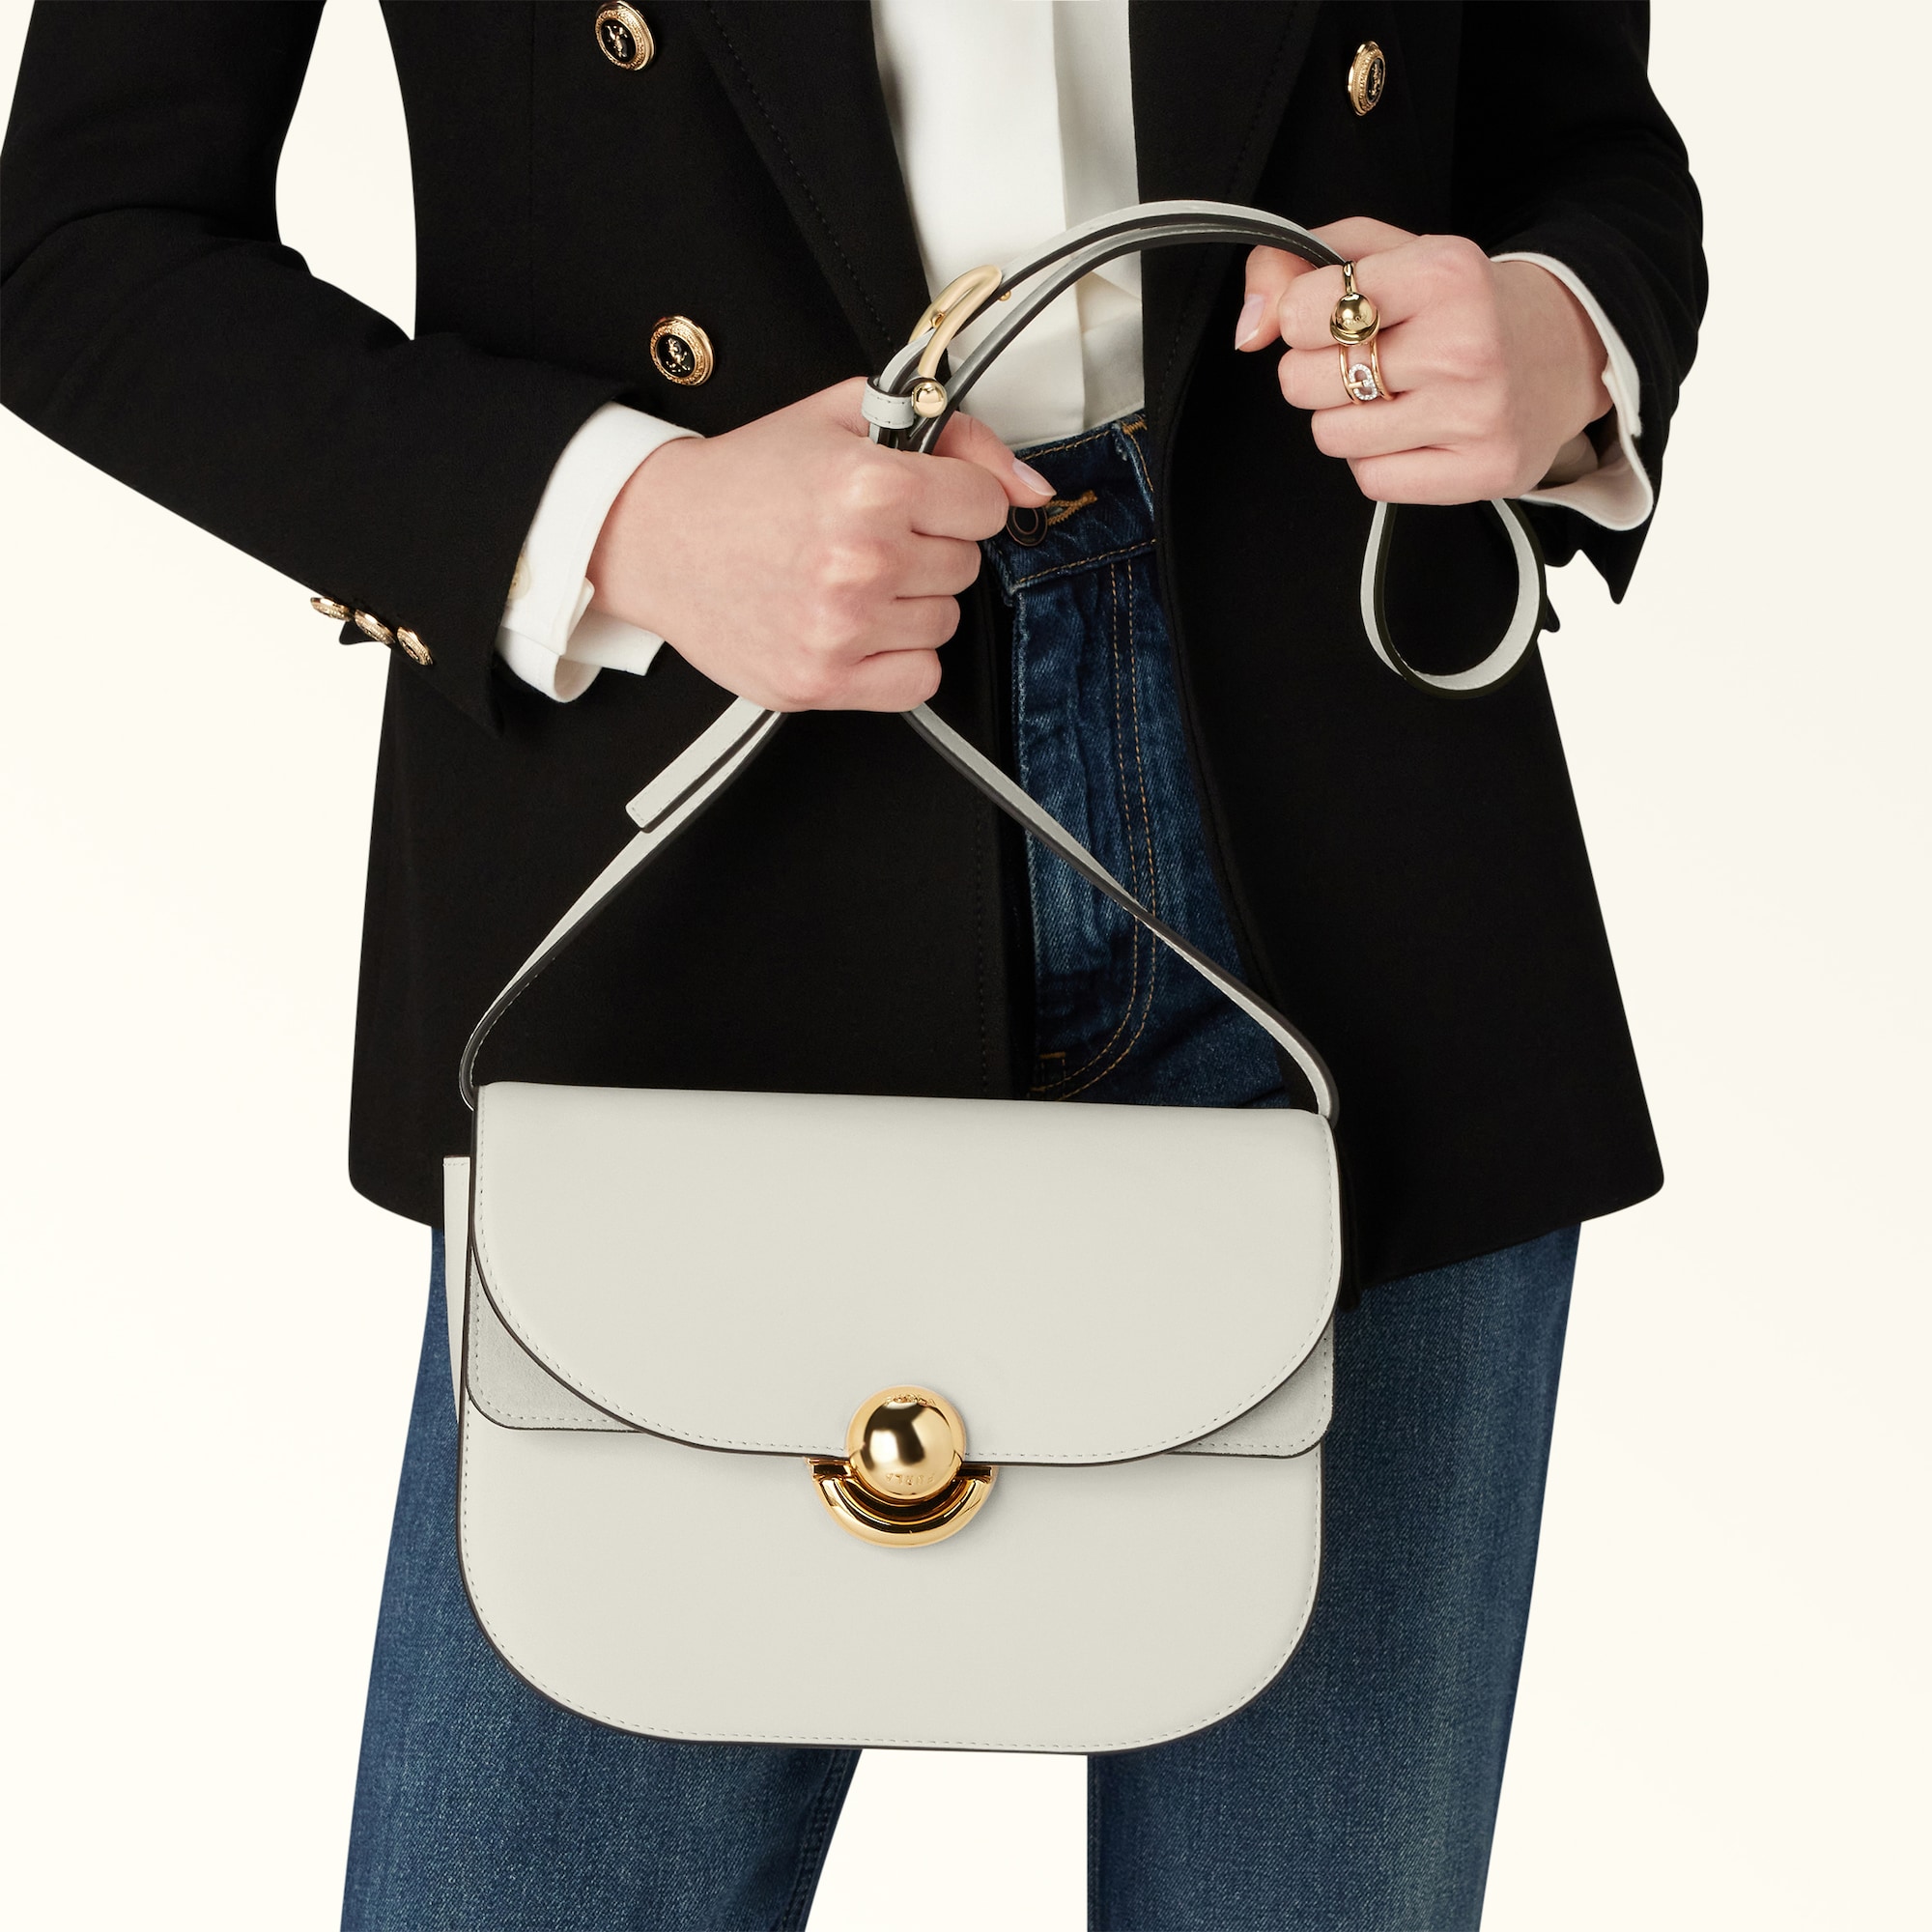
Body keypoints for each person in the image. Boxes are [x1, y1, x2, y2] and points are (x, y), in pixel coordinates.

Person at [0, 3, 1704, 1925]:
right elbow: (81, 242)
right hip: (703, 840)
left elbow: (1578, 145)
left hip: (1345, 849)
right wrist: (625, 518)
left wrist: (1565, 336)